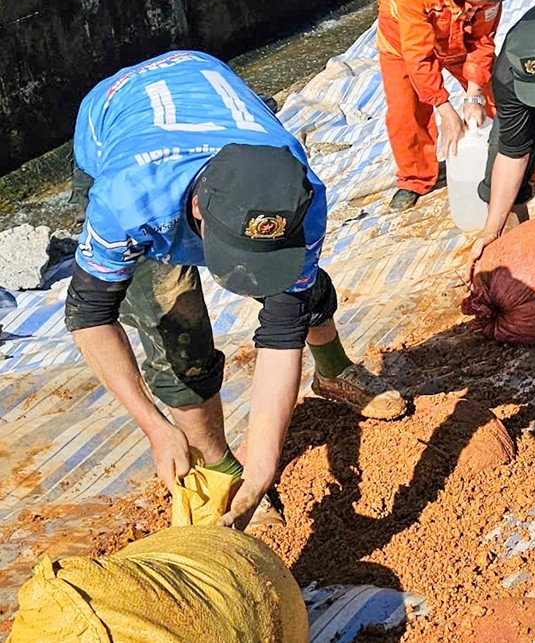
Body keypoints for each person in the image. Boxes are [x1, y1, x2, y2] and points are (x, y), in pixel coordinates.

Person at [65, 51, 407, 531]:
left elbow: (283, 325)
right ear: (200, 215)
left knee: (299, 291)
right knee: (174, 332)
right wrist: (154, 427)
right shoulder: (126, 202)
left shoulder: (297, 188)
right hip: (113, 117)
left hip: (198, 76)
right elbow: (89, 315)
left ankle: (333, 369)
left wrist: (265, 467)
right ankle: (220, 464)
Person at [376, 0, 519, 211]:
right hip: (402, 44)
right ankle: (414, 178)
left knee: (502, 93)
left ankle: (534, 162)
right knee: (405, 111)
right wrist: (444, 108)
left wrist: (474, 95)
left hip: (459, 37)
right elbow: (418, 55)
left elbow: (482, 42)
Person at [464, 4, 535, 276]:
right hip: (524, 87)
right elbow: (512, 151)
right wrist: (491, 231)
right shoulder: (507, 77)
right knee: (502, 177)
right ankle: (519, 257)